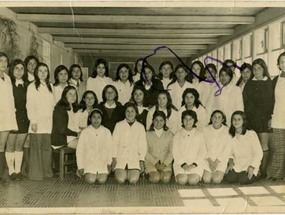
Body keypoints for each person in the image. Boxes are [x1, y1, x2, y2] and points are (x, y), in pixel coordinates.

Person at [243, 59, 273, 178]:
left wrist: (270, 117)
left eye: (259, 68)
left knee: (263, 145)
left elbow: (272, 102)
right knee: (253, 145)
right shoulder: (249, 84)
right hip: (251, 118)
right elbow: (246, 102)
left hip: (264, 118)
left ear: (264, 69)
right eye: (254, 69)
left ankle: (263, 171)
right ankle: (254, 169)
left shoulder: (269, 83)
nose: (256, 71)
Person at [26, 62, 54, 180]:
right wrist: (33, 121)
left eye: (45, 71)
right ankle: (36, 174)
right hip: (36, 122)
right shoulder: (32, 86)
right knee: (36, 148)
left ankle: (47, 173)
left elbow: (53, 104)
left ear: (48, 73)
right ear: (36, 73)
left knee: (46, 148)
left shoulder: (50, 86)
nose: (43, 73)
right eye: (40, 71)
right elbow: (30, 105)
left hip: (48, 122)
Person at [6, 59, 29, 180]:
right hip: (11, 117)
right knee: (10, 145)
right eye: (16, 68)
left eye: (22, 69)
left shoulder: (28, 85)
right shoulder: (7, 83)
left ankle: (18, 171)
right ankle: (11, 172)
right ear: (12, 70)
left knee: (19, 145)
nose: (19, 71)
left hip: (24, 118)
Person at [112, 102, 147, 184]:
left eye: (132, 111)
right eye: (128, 111)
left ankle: (131, 172)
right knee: (120, 180)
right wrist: (114, 159)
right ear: (124, 113)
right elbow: (114, 143)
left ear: (136, 113)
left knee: (133, 180)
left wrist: (141, 161)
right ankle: (121, 171)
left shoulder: (140, 127)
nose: (130, 114)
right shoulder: (118, 125)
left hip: (134, 159)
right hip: (120, 158)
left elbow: (142, 146)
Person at [224, 111, 263, 184]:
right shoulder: (230, 135)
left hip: (250, 163)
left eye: (239, 119)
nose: (236, 121)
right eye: (234, 119)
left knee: (243, 180)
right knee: (229, 178)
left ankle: (258, 173)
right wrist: (230, 162)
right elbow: (230, 153)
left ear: (243, 121)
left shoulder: (251, 134)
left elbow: (259, 153)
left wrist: (252, 166)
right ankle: (240, 175)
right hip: (237, 163)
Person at [76, 108, 112, 184]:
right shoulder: (85, 132)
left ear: (102, 119)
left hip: (102, 162)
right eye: (94, 117)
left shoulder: (106, 132)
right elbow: (80, 151)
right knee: (90, 180)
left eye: (99, 117)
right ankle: (83, 172)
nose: (96, 120)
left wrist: (109, 163)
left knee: (102, 180)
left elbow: (110, 149)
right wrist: (80, 166)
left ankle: (99, 173)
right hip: (89, 162)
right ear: (90, 119)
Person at [173, 110, 206, 185]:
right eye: (185, 119)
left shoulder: (199, 134)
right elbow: (175, 152)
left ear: (195, 120)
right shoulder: (177, 134)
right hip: (180, 164)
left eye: (191, 119)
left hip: (196, 164)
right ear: (182, 120)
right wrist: (183, 164)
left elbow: (203, 151)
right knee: (182, 180)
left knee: (192, 181)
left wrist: (194, 164)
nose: (188, 121)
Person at [0, 53, 18, 182]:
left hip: (7, 116)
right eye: (0, 61)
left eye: (5, 61)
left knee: (2, 145)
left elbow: (10, 98)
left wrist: (12, 113)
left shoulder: (7, 78)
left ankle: (1, 174)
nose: (3, 63)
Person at [268, 51, 285, 181]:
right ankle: (277, 174)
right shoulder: (275, 80)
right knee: (279, 148)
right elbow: (271, 101)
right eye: (282, 62)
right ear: (278, 64)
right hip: (278, 118)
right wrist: (270, 116)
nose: (284, 64)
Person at [202, 110, 231, 184]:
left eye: (219, 117)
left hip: (220, 161)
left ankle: (221, 173)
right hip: (208, 160)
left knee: (216, 180)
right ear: (211, 118)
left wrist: (217, 162)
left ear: (223, 120)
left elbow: (227, 149)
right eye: (214, 117)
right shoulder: (204, 129)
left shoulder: (227, 131)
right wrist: (210, 161)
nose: (216, 119)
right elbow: (202, 147)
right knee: (206, 180)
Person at [145, 111, 173, 183]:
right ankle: (150, 173)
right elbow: (145, 152)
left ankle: (161, 173)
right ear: (152, 121)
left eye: (161, 120)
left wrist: (165, 164)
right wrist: (155, 163)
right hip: (151, 161)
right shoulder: (147, 134)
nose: (158, 123)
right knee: (155, 179)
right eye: (156, 120)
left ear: (165, 122)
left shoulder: (169, 134)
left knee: (165, 179)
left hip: (165, 161)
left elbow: (172, 152)